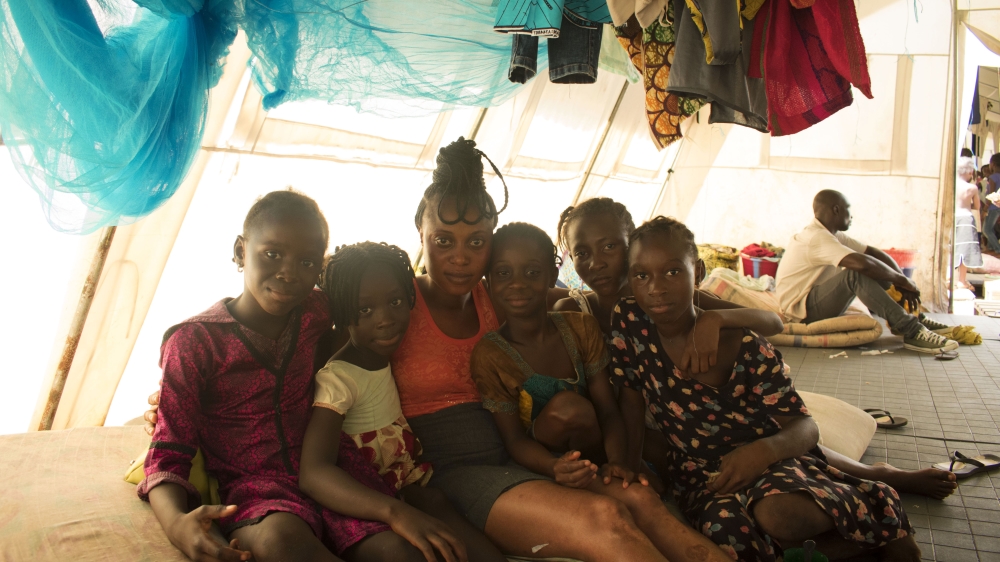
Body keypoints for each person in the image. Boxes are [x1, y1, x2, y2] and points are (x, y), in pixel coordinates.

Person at [555, 197, 957, 500]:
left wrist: (716, 319)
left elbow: (773, 322)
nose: (597, 262)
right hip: (648, 417)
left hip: (707, 408)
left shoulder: (671, 295)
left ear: (632, 243)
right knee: (682, 463)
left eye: (610, 247)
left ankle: (880, 478)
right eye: (582, 253)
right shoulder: (578, 308)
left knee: (763, 438)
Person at [612, 216, 921, 562]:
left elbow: (805, 427)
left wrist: (761, 453)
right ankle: (850, 545)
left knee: (779, 515)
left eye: (672, 272)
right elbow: (631, 399)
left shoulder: (743, 346)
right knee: (730, 540)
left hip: (772, 462)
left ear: (697, 272)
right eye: (641, 275)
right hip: (701, 476)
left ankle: (879, 514)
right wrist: (630, 463)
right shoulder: (630, 322)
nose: (655, 287)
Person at [140, 190, 408, 562]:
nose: (288, 272)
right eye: (272, 254)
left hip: (334, 474)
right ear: (239, 251)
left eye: (307, 262)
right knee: (282, 542)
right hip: (257, 493)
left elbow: (372, 299)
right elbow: (168, 451)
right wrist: (176, 525)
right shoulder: (195, 343)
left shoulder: (317, 311)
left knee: (400, 550)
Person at [470, 222, 731, 562]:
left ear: (553, 275)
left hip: (595, 453)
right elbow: (515, 442)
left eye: (532, 271)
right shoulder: (491, 354)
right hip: (543, 463)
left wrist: (620, 463)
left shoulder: (579, 327)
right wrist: (554, 467)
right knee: (569, 410)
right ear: (488, 282)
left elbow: (609, 409)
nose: (518, 283)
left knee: (643, 497)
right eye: (503, 273)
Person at [300, 241, 508, 562]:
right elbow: (313, 472)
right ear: (340, 312)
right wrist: (395, 512)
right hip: (364, 499)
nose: (386, 319)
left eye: (395, 301)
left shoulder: (388, 355)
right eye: (364, 310)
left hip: (406, 484)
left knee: (446, 515)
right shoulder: (339, 379)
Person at [774, 189, 958, 354]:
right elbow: (862, 264)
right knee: (856, 274)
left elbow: (872, 253)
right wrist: (901, 281)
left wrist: (900, 278)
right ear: (836, 210)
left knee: (874, 268)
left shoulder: (831, 234)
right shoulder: (817, 237)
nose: (852, 216)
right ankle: (911, 331)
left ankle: (915, 317)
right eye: (849, 209)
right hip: (802, 311)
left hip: (813, 300)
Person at [955, 157, 984, 291]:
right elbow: (977, 206)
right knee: (964, 249)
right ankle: (961, 279)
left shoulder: (951, 184)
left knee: (952, 247)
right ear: (969, 172)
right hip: (966, 218)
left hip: (953, 216)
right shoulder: (972, 188)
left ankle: (951, 278)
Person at [984, 154, 1000, 253]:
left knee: (987, 229)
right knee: (991, 228)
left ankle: (997, 248)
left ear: (992, 164)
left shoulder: (992, 177)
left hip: (993, 206)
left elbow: (991, 193)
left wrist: (986, 206)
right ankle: (991, 247)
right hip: (998, 205)